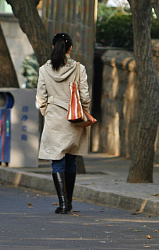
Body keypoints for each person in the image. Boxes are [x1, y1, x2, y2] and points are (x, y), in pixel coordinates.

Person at [36, 32, 90, 214]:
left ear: (53, 47)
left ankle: (63, 204)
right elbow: (85, 95)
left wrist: (47, 112)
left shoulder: (44, 70)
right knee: (71, 158)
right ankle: (70, 201)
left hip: (54, 118)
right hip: (73, 118)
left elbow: (41, 98)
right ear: (70, 48)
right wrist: (83, 111)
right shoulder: (78, 69)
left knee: (57, 160)